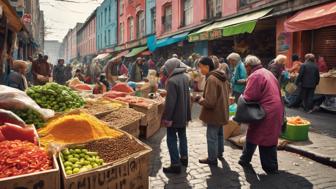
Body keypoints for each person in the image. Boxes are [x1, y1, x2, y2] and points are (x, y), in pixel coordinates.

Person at [238, 55, 283, 175]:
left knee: (265, 138)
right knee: (254, 133)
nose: (246, 69)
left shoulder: (256, 75)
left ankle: (270, 167)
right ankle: (244, 159)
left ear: (248, 66)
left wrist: (240, 101)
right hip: (274, 109)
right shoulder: (266, 72)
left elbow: (249, 96)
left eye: (245, 67)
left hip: (266, 111)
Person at [196, 57, 229, 166]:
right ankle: (219, 153)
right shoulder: (221, 76)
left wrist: (199, 99)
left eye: (201, 67)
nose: (200, 70)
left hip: (214, 113)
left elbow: (210, 102)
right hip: (222, 111)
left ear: (207, 66)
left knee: (211, 136)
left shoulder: (211, 79)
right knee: (219, 134)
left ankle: (212, 158)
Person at [161, 58, 191, 174]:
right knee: (183, 136)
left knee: (172, 139)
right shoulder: (185, 77)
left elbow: (170, 103)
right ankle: (184, 158)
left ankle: (175, 164)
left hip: (174, 117)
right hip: (183, 114)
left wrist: (167, 118)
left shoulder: (172, 81)